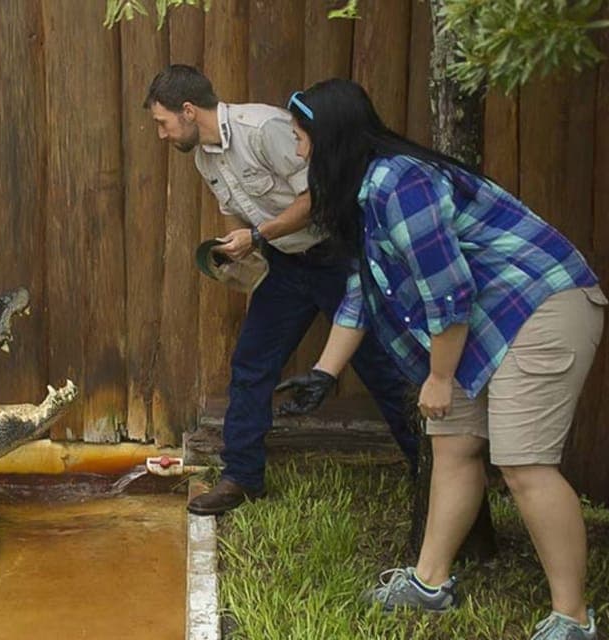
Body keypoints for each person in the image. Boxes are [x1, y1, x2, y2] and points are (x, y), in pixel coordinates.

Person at [281, 78, 605, 640]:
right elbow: (365, 289)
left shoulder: (400, 184)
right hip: (480, 323)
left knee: (524, 463)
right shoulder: (366, 191)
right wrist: (323, 372)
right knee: (453, 444)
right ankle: (430, 583)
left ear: (329, 136)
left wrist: (438, 376)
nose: (297, 148)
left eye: (300, 135)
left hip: (538, 303)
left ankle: (572, 618)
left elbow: (450, 291)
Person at [143, 64, 419, 516]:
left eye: (162, 122)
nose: (161, 133)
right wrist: (240, 254)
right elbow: (240, 213)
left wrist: (258, 236)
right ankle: (242, 477)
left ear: (188, 111)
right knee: (251, 365)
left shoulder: (265, 129)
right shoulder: (202, 157)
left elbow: (317, 198)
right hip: (285, 265)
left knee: (382, 370)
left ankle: (428, 472)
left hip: (337, 257)